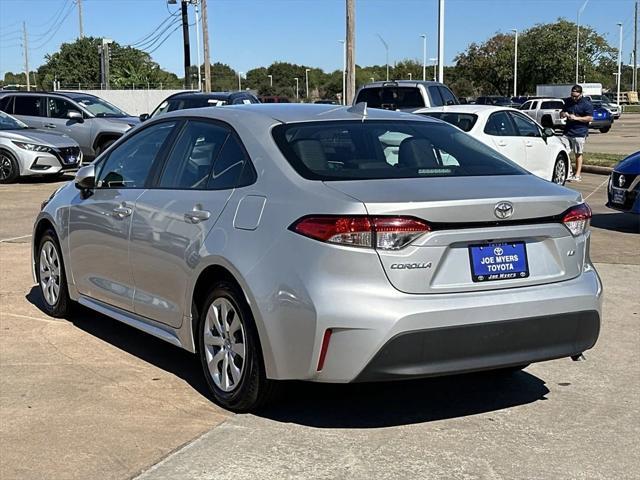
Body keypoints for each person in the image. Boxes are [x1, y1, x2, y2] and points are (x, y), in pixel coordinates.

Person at [560, 85, 594, 182]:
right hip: (567, 132)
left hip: (580, 132)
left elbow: (590, 118)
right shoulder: (568, 101)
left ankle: (577, 174)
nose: (574, 98)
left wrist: (577, 118)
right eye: (572, 95)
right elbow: (562, 112)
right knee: (564, 151)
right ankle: (568, 172)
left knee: (578, 153)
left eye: (576, 96)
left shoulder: (586, 104)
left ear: (581, 94)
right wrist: (564, 114)